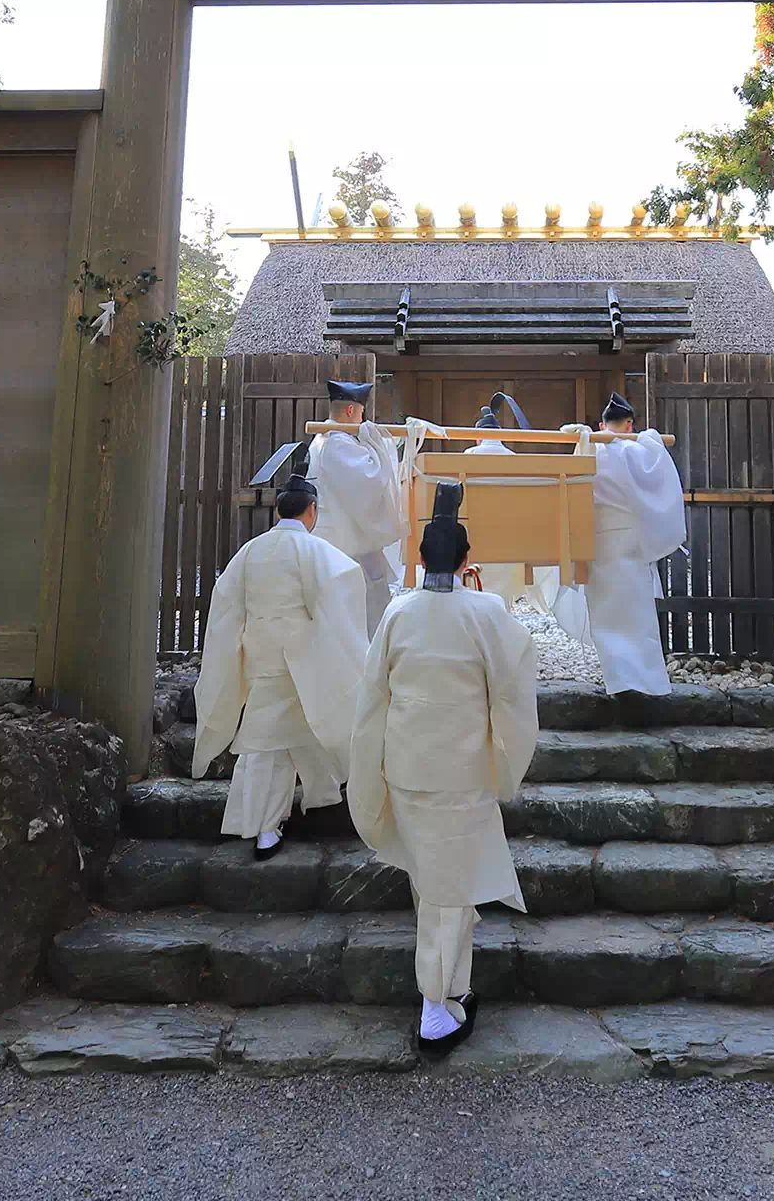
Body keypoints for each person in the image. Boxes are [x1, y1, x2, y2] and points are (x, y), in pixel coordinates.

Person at [349, 480, 539, 1054]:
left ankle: (451, 988)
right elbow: (513, 688)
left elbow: (370, 697)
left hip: (408, 765)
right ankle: (436, 1003)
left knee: (436, 881)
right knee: (447, 883)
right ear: (466, 560)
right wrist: (507, 757)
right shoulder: (486, 612)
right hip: (461, 767)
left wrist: (369, 763)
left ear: (419, 557)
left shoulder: (398, 614)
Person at [192, 470, 371, 860]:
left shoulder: (251, 552)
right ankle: (272, 825)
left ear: (277, 512)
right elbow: (341, 605)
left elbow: (225, 609)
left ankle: (274, 820)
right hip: (303, 662)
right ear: (312, 510)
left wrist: (234, 654)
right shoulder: (318, 553)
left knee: (272, 742)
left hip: (260, 657)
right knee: (290, 736)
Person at [552, 393, 687, 699]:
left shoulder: (588, 450)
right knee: (637, 612)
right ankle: (646, 683)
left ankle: (619, 680)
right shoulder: (640, 451)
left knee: (606, 613)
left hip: (597, 538)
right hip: (629, 540)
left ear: (601, 424)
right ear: (629, 424)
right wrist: (650, 438)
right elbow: (660, 483)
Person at [309, 378, 407, 634]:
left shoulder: (327, 439)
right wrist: (379, 444)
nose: (363, 421)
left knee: (370, 590)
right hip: (346, 536)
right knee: (363, 599)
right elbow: (370, 480)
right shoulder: (337, 443)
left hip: (346, 532)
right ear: (351, 410)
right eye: (362, 414)